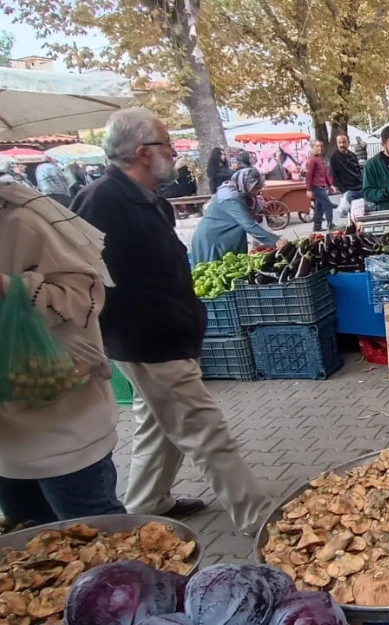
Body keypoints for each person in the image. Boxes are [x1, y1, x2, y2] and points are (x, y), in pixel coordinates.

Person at [73, 108, 273, 534]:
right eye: (167, 145)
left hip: (163, 336)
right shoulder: (103, 201)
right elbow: (84, 279)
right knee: (206, 432)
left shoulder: (150, 200)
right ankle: (259, 518)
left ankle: (148, 504)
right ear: (144, 153)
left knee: (156, 425)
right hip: (149, 341)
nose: (174, 153)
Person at [0, 181, 127, 526]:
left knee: (101, 538)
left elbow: (84, 297)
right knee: (32, 549)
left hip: (63, 429)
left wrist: (9, 288)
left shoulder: (21, 222)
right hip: (8, 442)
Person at [192, 168, 280, 263]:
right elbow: (248, 225)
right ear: (246, 185)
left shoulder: (241, 191)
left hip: (224, 237)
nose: (257, 192)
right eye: (255, 189)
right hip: (213, 239)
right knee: (213, 270)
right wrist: (275, 241)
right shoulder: (231, 197)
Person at [305, 140, 337, 231]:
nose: (319, 148)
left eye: (320, 146)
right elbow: (309, 175)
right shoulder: (312, 160)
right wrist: (309, 189)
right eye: (317, 146)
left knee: (319, 207)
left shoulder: (318, 159)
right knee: (328, 205)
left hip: (320, 185)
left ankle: (317, 226)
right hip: (317, 186)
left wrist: (330, 185)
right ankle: (330, 224)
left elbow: (324, 173)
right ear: (312, 148)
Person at [330, 134, 363, 217]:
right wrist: (342, 189)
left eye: (344, 142)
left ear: (348, 143)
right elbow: (334, 174)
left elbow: (358, 170)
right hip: (348, 189)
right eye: (339, 142)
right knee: (352, 212)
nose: (342, 145)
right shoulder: (334, 158)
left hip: (360, 186)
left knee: (362, 210)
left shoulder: (353, 155)